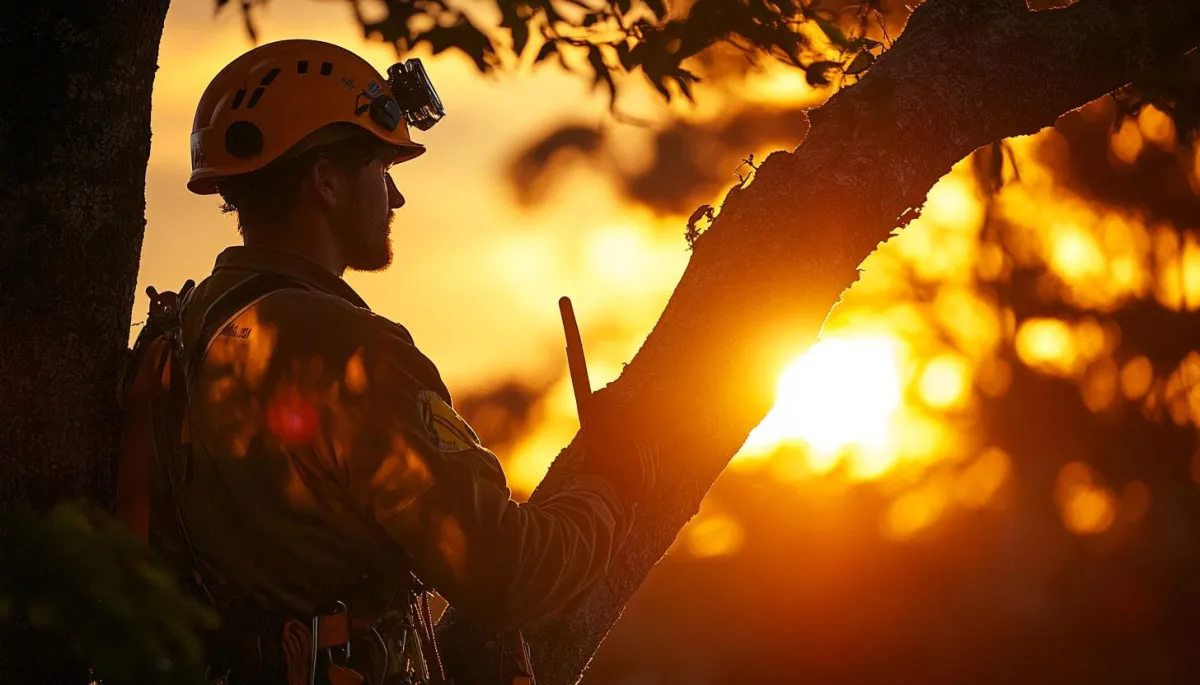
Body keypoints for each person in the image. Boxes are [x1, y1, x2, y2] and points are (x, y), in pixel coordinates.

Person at [118, 38, 654, 685]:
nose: (395, 198)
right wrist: (607, 489)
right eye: (381, 168)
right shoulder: (352, 353)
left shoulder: (182, 332)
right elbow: (506, 570)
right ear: (326, 182)